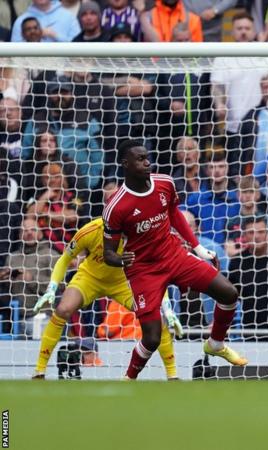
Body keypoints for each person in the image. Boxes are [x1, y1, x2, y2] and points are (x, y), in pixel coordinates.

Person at [102, 140, 246, 380]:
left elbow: (174, 215)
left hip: (175, 255)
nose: (147, 162)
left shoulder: (165, 183)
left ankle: (216, 343)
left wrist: (199, 249)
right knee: (152, 337)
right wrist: (118, 259)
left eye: (147, 157)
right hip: (143, 270)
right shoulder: (115, 206)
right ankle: (128, 378)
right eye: (140, 159)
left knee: (229, 293)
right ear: (125, 164)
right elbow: (108, 253)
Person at [31, 218, 181, 379]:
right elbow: (65, 259)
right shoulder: (90, 230)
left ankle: (172, 375)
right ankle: (39, 371)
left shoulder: (142, 234)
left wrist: (166, 307)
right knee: (62, 309)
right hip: (90, 278)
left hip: (124, 282)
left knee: (156, 317)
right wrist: (52, 287)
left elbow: (154, 273)